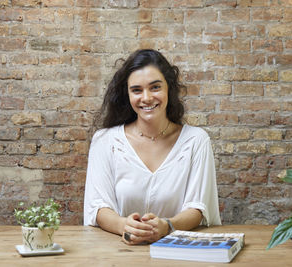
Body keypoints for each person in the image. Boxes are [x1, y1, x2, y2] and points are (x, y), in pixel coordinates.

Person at [84, 49, 221, 245]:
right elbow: (98, 206)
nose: (146, 98)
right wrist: (125, 226)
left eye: (155, 87)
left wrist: (167, 226)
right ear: (127, 94)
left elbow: (199, 208)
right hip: (119, 253)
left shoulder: (196, 141)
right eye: (137, 90)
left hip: (179, 253)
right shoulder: (105, 141)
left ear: (169, 89)